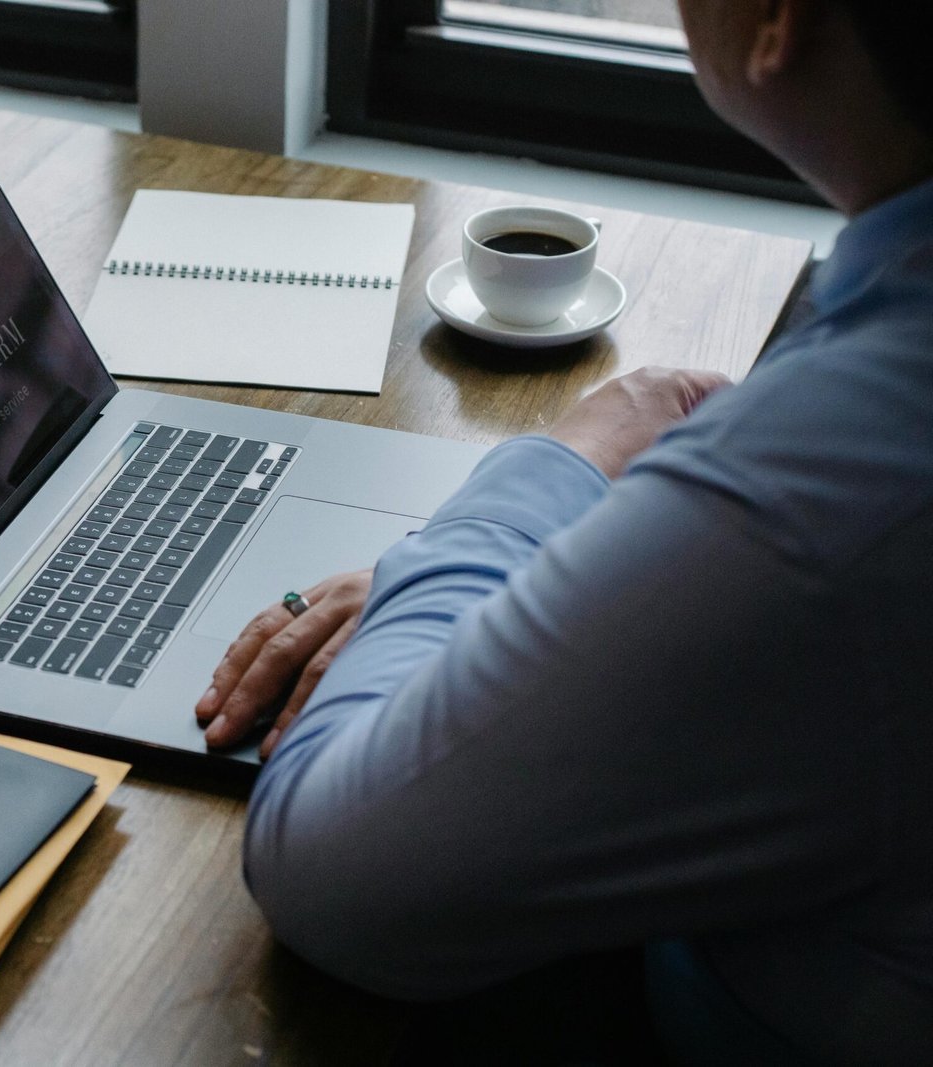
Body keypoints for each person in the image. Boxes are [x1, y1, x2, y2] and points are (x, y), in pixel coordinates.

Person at [198, 0, 933, 1061]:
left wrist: (559, 470)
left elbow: (331, 872)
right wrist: (485, 589)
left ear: (778, 20)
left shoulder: (837, 484)